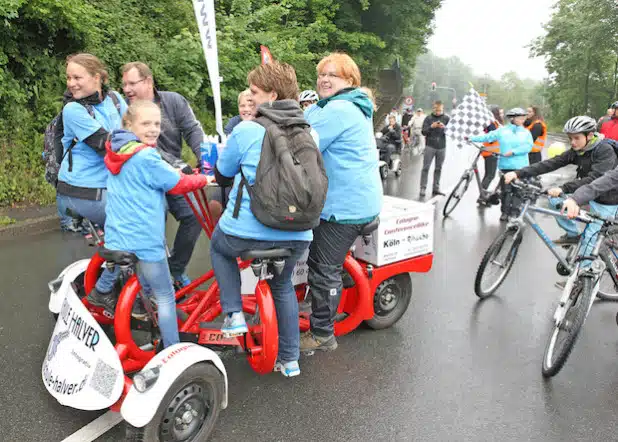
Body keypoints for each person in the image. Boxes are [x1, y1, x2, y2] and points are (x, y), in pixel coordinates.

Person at [211, 61, 312, 377]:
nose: (251, 98)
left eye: (255, 92)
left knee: (219, 248)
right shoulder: (310, 133)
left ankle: (233, 313)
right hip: (298, 235)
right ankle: (291, 359)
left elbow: (223, 173)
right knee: (282, 285)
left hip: (248, 232)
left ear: (272, 94)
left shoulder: (246, 130)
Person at [102, 100, 208, 345]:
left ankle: (129, 319)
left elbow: (163, 176)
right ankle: (172, 348)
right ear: (129, 125)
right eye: (146, 123)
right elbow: (178, 184)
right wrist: (204, 179)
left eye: (157, 124)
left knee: (142, 284)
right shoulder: (146, 156)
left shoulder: (117, 150)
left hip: (118, 236)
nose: (153, 129)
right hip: (145, 241)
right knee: (165, 295)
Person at [301, 52, 382, 352]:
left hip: (344, 207)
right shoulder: (351, 105)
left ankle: (322, 333)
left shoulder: (340, 110)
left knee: (323, 266)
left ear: (349, 81)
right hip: (360, 200)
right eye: (322, 73)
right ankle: (337, 290)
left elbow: (304, 142)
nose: (324, 79)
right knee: (323, 261)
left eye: (332, 75)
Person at [121, 61, 206, 289]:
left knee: (195, 216)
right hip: (146, 180)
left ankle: (175, 270)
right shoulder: (126, 111)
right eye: (124, 85)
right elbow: (140, 147)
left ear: (148, 81)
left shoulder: (173, 101)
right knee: (153, 231)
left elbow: (192, 130)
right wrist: (177, 164)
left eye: (132, 83)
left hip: (170, 177)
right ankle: (145, 288)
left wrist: (204, 160)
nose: (127, 90)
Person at [56, 53, 128, 306]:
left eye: (78, 77)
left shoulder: (116, 100)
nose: (71, 83)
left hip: (109, 186)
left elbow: (138, 131)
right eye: (69, 77)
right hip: (81, 190)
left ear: (97, 77)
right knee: (135, 224)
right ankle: (104, 290)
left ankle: (132, 282)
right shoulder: (73, 109)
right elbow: (105, 144)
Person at [504, 116, 617, 248]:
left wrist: (564, 188)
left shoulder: (604, 150)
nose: (573, 142)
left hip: (606, 197)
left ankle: (586, 268)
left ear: (590, 135)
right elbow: (552, 163)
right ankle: (573, 235)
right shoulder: (579, 150)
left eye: (576, 138)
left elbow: (596, 178)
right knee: (556, 201)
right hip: (586, 192)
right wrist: (518, 173)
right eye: (570, 138)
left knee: (589, 243)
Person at [469, 108, 533, 221]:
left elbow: (528, 147)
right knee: (505, 191)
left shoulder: (526, 132)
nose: (523, 119)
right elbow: (487, 137)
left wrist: (513, 152)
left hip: (521, 167)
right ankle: (504, 212)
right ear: (512, 118)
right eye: (520, 117)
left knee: (518, 191)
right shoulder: (502, 131)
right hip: (506, 166)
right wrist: (471, 138)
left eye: (524, 117)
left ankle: (514, 212)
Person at [419, 101, 450, 197]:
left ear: (442, 109)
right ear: (434, 109)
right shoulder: (428, 118)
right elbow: (423, 132)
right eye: (436, 110)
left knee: (438, 168)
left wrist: (445, 127)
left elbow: (451, 131)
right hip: (430, 145)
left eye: (440, 110)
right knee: (425, 167)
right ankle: (423, 188)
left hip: (442, 146)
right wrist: (431, 127)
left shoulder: (446, 118)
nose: (438, 112)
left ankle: (436, 188)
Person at [477, 105, 503, 205]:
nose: (502, 114)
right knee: (489, 176)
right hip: (491, 152)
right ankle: (482, 197)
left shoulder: (493, 123)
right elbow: (492, 138)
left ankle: (482, 196)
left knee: (488, 175)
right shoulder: (492, 123)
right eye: (500, 112)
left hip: (489, 152)